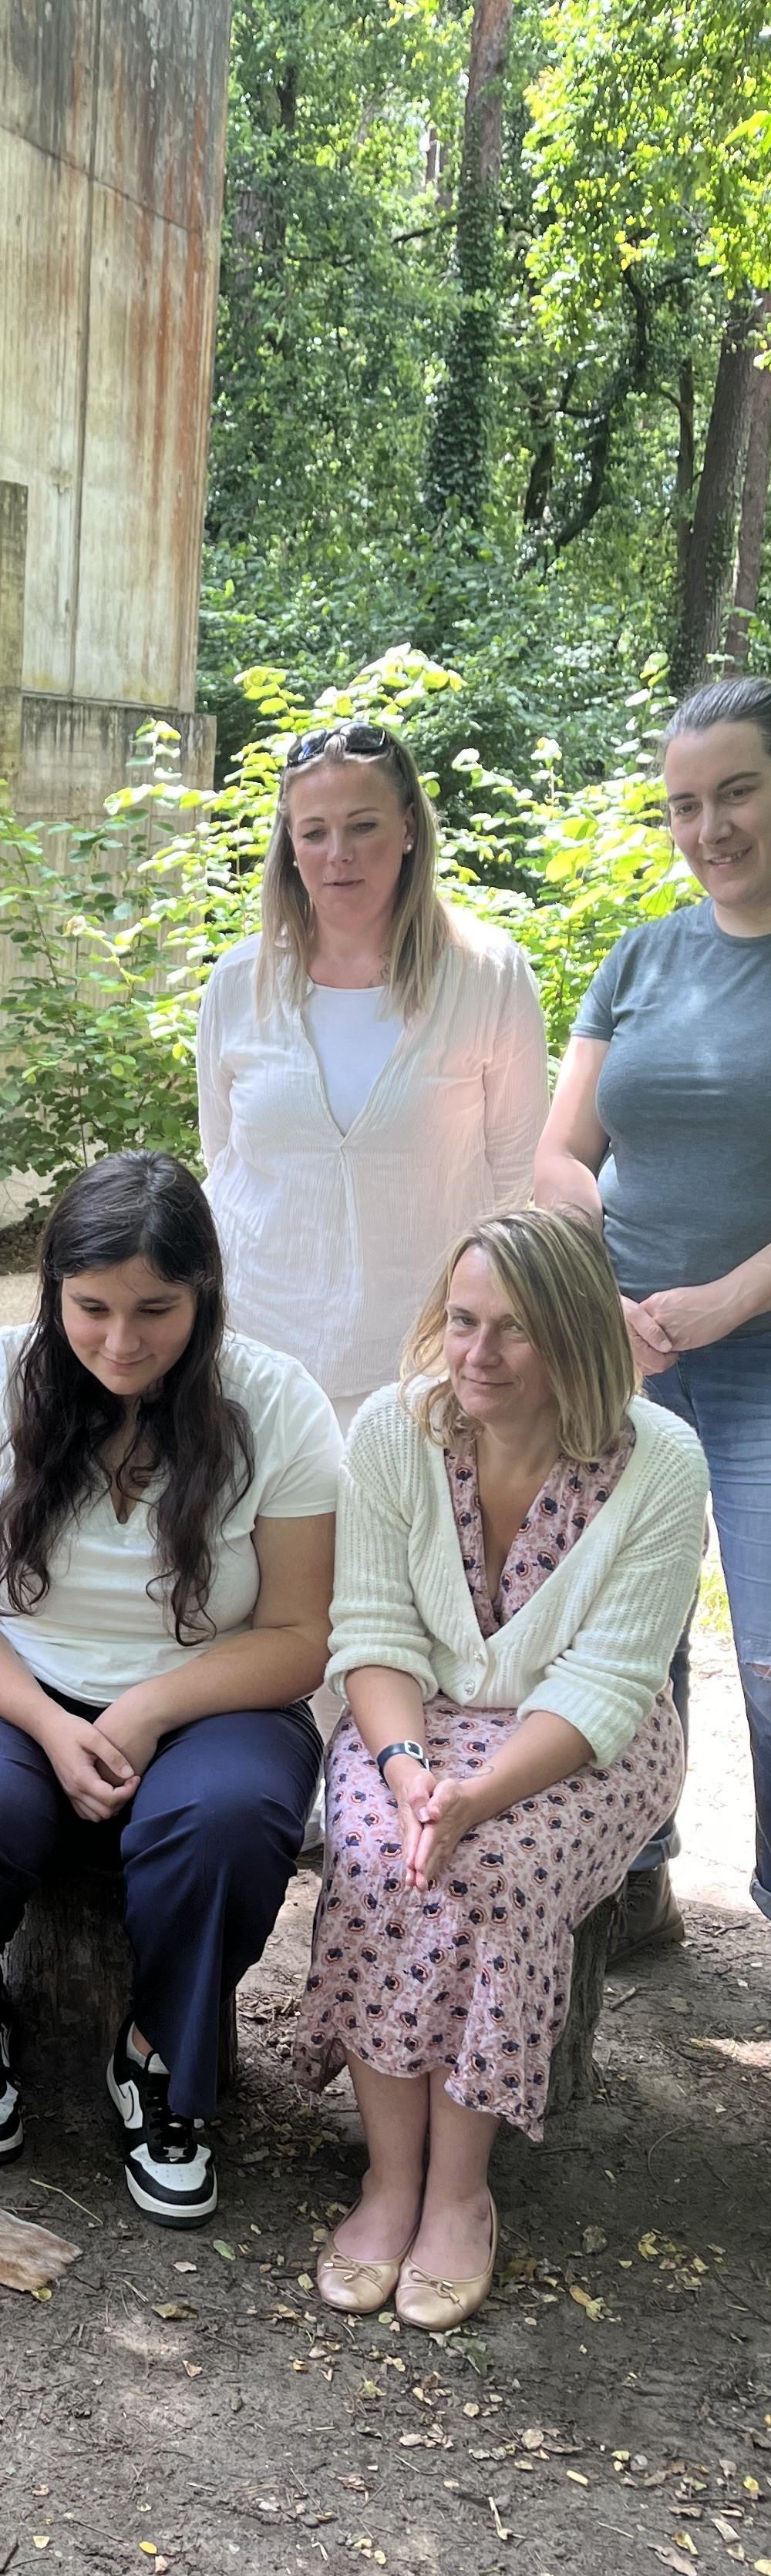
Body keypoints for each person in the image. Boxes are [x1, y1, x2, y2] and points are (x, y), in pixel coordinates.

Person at [0, 1152, 339, 2215]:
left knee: (224, 1827)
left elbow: (302, 1632)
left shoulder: (276, 1402)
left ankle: (158, 2059)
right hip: (19, 1689)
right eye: (91, 1309)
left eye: (154, 1310)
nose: (121, 1342)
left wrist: (147, 1708)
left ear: (203, 1295)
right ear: (54, 1292)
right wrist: (46, 1722)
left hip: (217, 1698)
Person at [292, 1212, 706, 2329]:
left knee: (493, 1870)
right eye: (463, 1320)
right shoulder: (394, 1431)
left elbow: (610, 1681)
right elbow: (372, 1632)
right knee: (375, 1853)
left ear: (575, 1336)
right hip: (411, 1719)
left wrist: (479, 1795)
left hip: (583, 1739)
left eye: (514, 1330)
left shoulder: (661, 1462)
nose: (476, 1354)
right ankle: (390, 2177)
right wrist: (408, 1769)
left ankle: (459, 2193)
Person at [534, 673, 771, 1949]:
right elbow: (562, 1151)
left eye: (738, 792)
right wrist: (608, 1298)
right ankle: (632, 1875)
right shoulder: (642, 955)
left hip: (762, 1359)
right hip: (622, 1353)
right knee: (624, 1626)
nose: (709, 827)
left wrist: (729, 1297)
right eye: (685, 803)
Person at [197, 721, 547, 1431]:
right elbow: (224, 1156)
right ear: (290, 843)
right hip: (259, 1359)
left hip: (426, 1366)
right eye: (314, 832)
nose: (339, 855)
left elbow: (516, 1176)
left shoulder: (487, 974)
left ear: (409, 828)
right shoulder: (239, 981)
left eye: (363, 826)